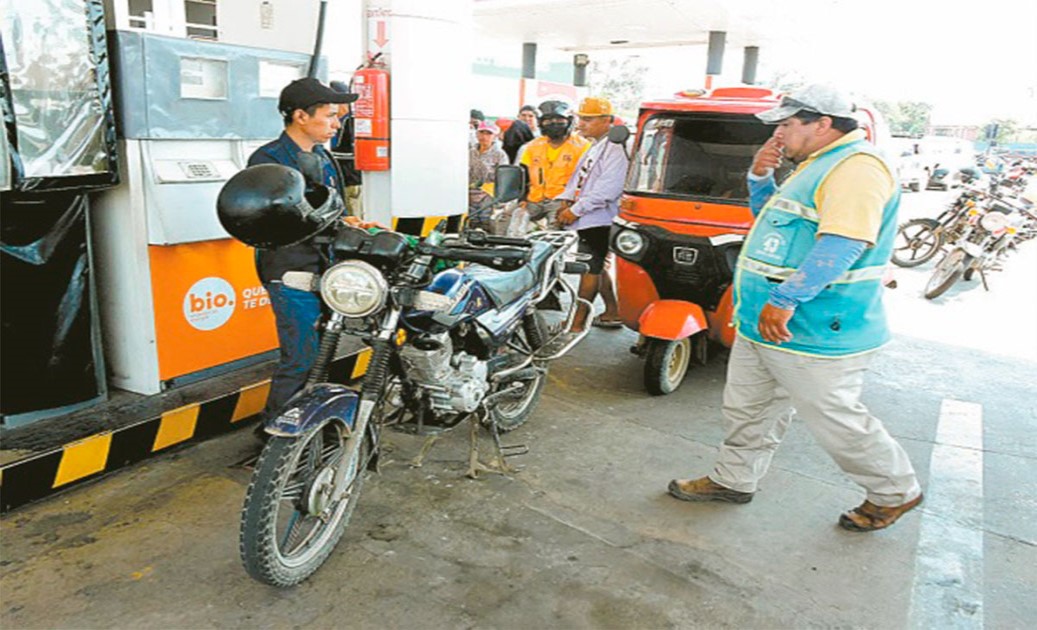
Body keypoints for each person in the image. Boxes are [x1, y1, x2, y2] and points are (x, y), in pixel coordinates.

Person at [667, 84, 923, 532]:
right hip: (763, 322)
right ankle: (734, 479)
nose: (780, 132)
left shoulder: (856, 168)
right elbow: (775, 229)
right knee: (749, 409)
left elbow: (845, 241)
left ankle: (893, 491)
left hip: (814, 326)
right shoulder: (817, 165)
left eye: (788, 123)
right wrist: (759, 179)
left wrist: (785, 299)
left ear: (822, 123)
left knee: (834, 417)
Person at [247, 77, 369, 424]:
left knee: (321, 354)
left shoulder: (323, 156)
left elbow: (330, 208)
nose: (337, 124)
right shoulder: (268, 160)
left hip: (325, 265)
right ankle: (275, 434)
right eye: (331, 115)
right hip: (290, 270)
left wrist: (347, 221)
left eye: (339, 117)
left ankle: (310, 427)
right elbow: (266, 219)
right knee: (300, 357)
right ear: (301, 116)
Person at [555, 96, 625, 332]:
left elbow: (608, 188)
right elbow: (580, 179)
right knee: (598, 267)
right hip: (590, 217)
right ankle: (612, 312)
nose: (581, 124)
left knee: (589, 269)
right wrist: (565, 200)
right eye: (580, 119)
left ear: (607, 120)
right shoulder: (596, 145)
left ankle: (576, 322)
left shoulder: (615, 148)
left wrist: (575, 210)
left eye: (587, 119)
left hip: (600, 219)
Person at [518, 100, 589, 230]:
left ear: (569, 121)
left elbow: (586, 178)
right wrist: (522, 198)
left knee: (553, 233)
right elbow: (523, 174)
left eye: (559, 120)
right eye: (548, 121)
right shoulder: (533, 146)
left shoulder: (583, 147)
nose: (554, 124)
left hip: (561, 201)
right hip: (534, 199)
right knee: (507, 219)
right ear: (541, 123)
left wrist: (572, 203)